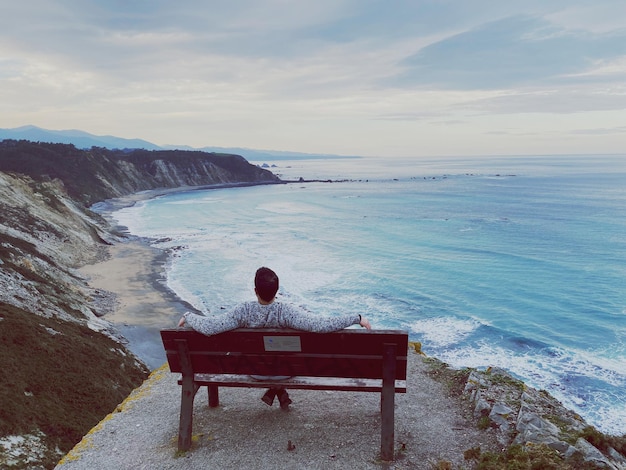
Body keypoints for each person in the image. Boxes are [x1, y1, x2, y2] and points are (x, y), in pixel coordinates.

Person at [178, 266, 371, 410]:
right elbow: (321, 325)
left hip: (253, 369)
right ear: (277, 291)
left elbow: (211, 327)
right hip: (285, 371)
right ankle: (278, 389)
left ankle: (276, 391)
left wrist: (189, 317)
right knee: (278, 355)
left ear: (255, 290)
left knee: (267, 356)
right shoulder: (286, 312)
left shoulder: (243, 311)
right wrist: (356, 318)